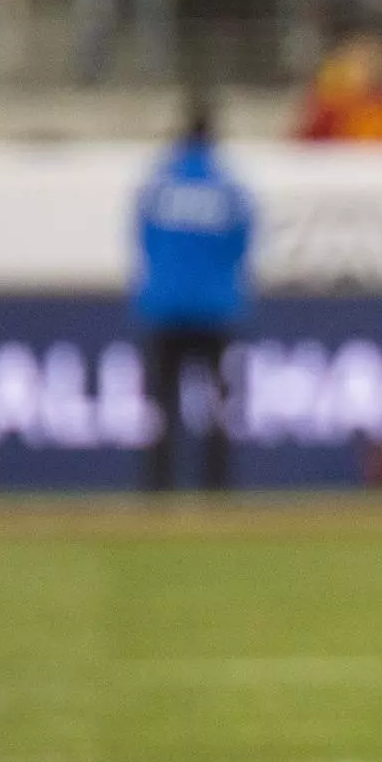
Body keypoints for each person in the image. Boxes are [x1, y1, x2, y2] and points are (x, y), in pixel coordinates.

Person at [132, 102, 255, 492]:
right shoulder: (229, 187)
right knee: (218, 406)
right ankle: (217, 487)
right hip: (216, 309)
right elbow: (242, 244)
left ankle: (158, 486)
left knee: (162, 406)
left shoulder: (159, 184)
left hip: (165, 307)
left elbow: (144, 239)